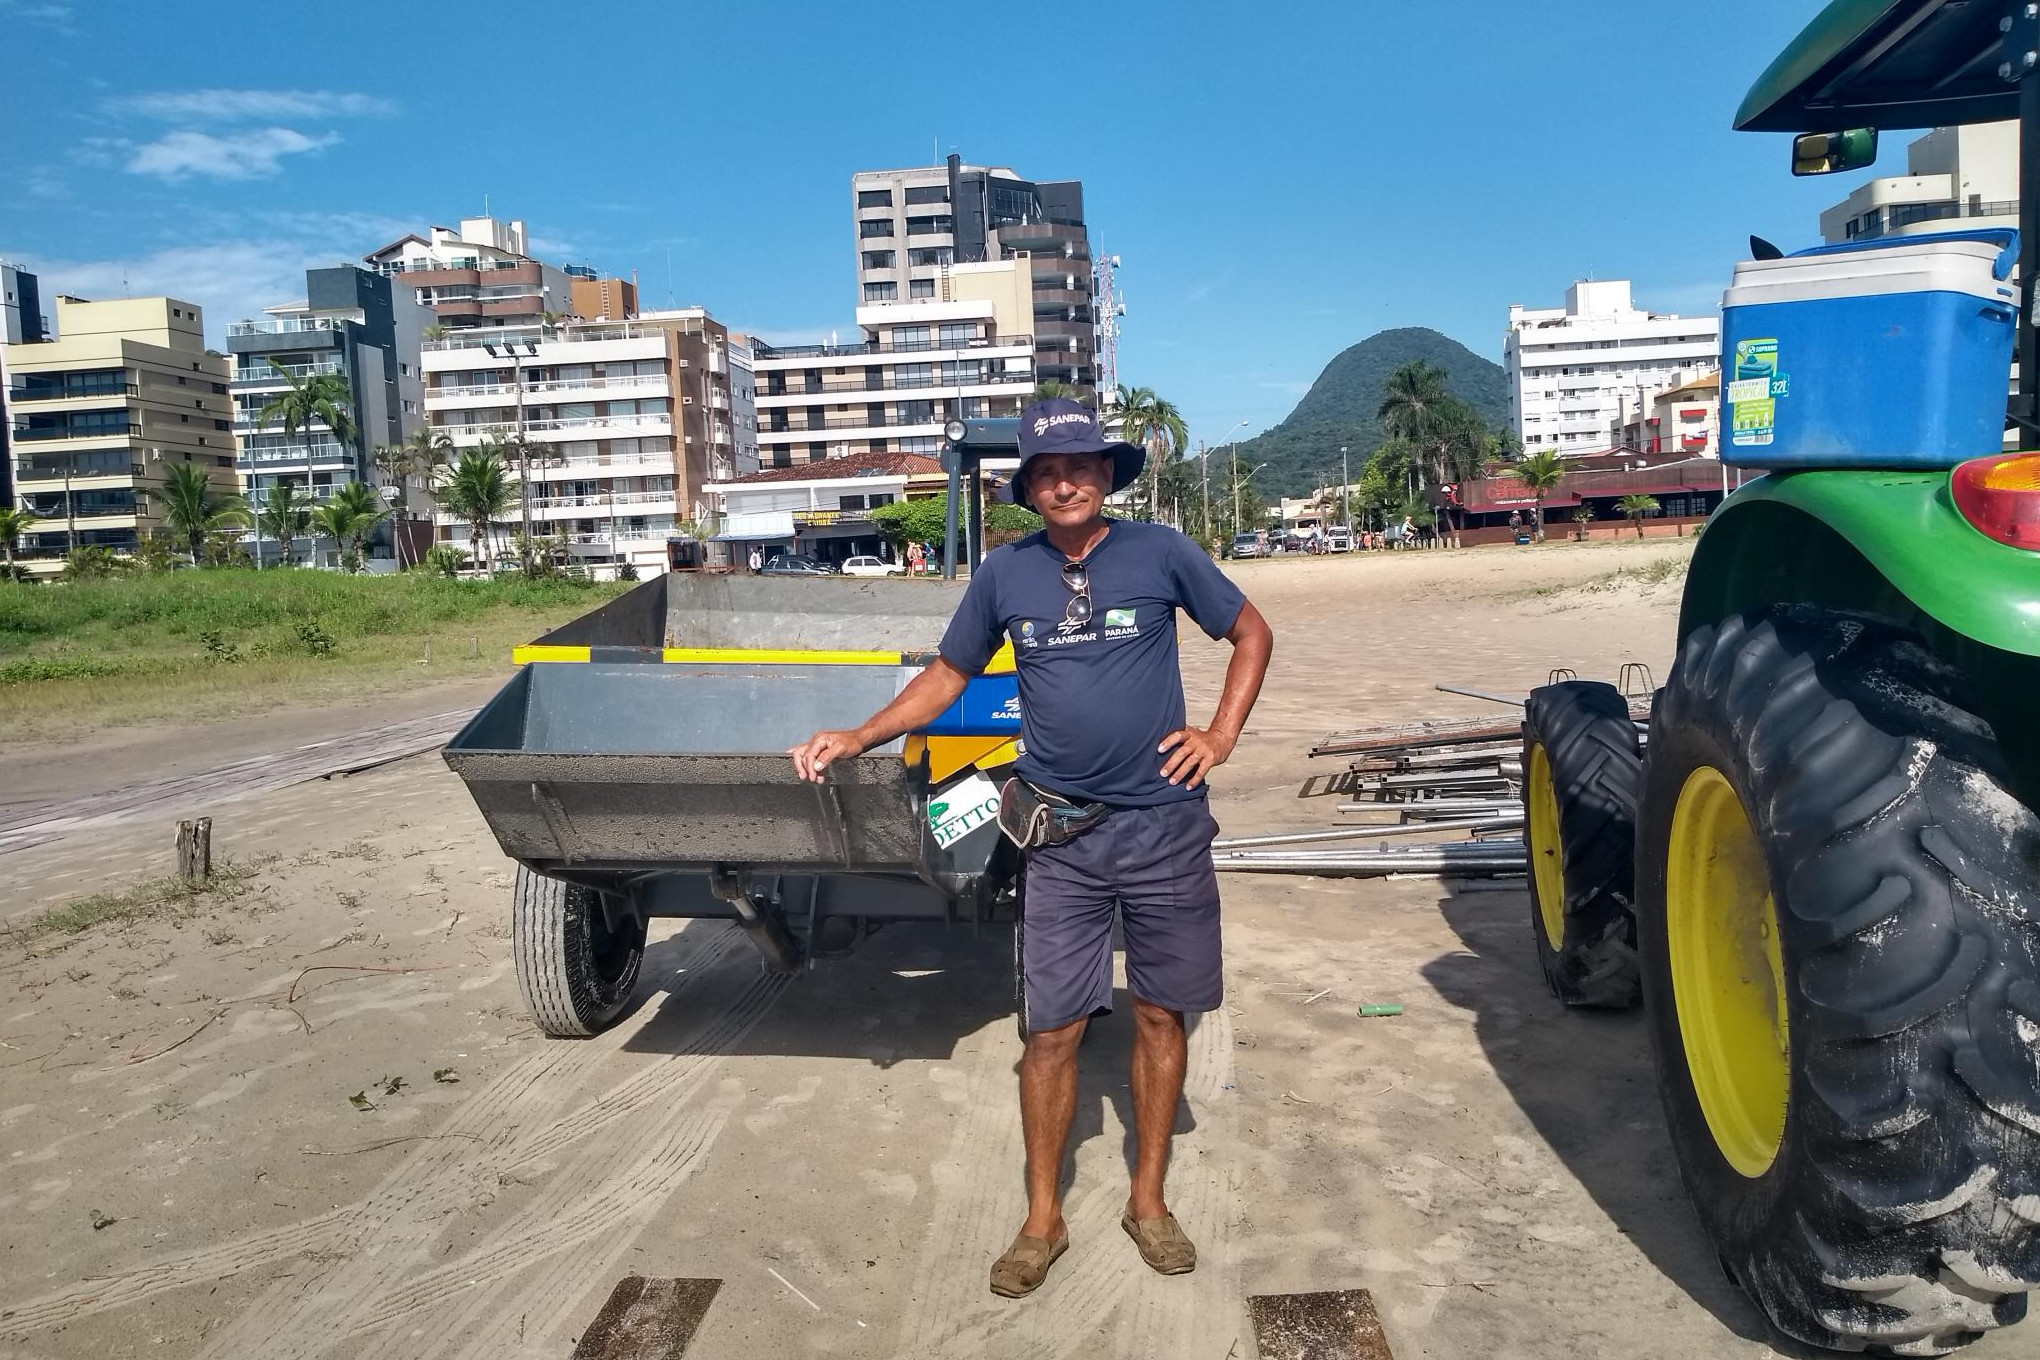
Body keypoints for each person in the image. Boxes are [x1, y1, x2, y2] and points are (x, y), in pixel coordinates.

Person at [790, 399, 1274, 1299]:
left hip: (1165, 828)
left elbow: (1252, 632)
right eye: (1048, 471)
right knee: (1048, 1033)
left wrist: (1220, 734)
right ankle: (1042, 1218)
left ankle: (1149, 1201)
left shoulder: (1161, 552)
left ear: (1106, 472)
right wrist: (860, 736)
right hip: (1061, 835)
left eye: (1082, 464)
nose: (1066, 481)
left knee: (1163, 1015)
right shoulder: (1005, 574)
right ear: (1027, 487)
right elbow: (948, 676)